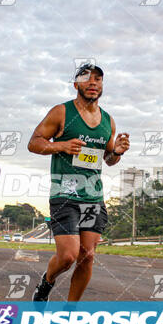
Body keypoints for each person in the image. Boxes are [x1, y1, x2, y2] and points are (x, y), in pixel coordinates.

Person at [28, 63, 130, 301]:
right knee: (68, 256)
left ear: (102, 86)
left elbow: (108, 160)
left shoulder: (108, 121)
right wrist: (60, 145)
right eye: (87, 79)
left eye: (98, 79)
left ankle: (71, 312)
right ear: (76, 85)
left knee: (88, 255)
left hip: (92, 196)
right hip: (64, 194)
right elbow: (34, 142)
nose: (93, 83)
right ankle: (47, 281)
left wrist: (117, 151)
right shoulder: (61, 112)